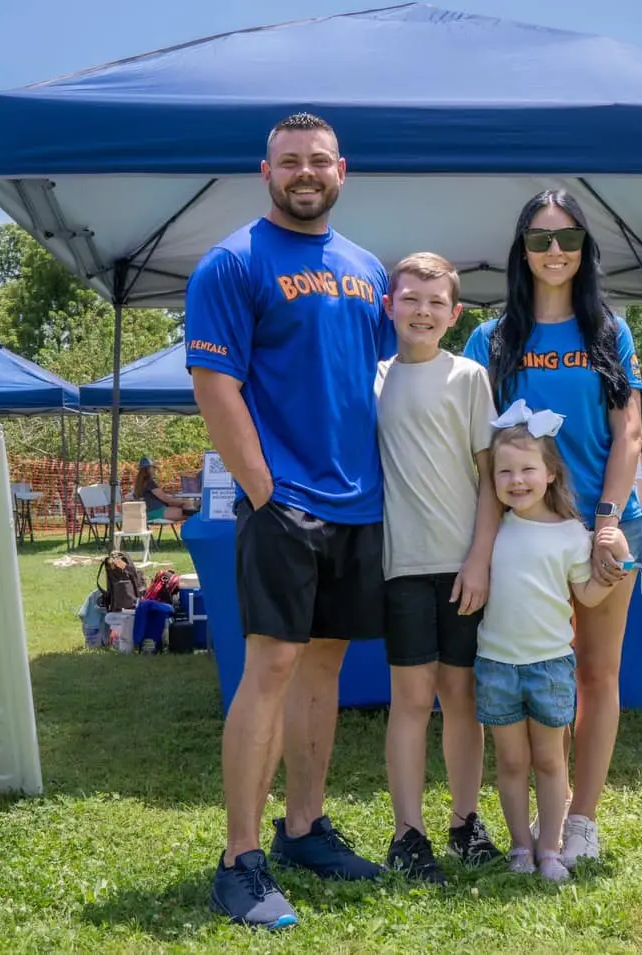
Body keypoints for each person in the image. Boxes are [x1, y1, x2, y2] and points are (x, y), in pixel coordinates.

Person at [185, 112, 394, 931]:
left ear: (342, 169)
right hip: (286, 505)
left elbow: (380, 369)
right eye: (289, 162)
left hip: (361, 503)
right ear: (264, 171)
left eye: (318, 161)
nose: (304, 172)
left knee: (324, 669)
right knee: (268, 668)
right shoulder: (231, 263)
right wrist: (265, 489)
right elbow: (215, 382)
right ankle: (240, 858)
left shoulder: (365, 267)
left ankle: (304, 826)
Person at [463, 189, 642, 867]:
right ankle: (523, 826)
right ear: (521, 250)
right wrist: (480, 551)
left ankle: (579, 821)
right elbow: (483, 457)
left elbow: (628, 430)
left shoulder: (609, 332)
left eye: (566, 238)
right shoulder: (491, 339)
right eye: (539, 240)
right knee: (525, 667)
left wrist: (604, 522)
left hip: (605, 525)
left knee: (596, 674)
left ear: (584, 247)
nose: (554, 252)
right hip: (521, 539)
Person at [374, 252, 503, 883]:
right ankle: (408, 833)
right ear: (389, 305)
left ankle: (463, 820)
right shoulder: (372, 380)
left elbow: (491, 477)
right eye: (410, 300)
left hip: (464, 567)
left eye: (435, 303)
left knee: (462, 696)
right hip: (402, 566)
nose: (421, 312)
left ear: (453, 314)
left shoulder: (471, 377)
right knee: (411, 699)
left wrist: (480, 559)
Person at [475, 404, 631, 881]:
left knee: (548, 760)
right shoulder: (489, 532)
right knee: (511, 761)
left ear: (550, 474)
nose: (516, 480)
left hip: (550, 668)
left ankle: (550, 849)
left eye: (527, 469)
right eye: (505, 471)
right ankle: (519, 848)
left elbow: (586, 593)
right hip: (496, 666)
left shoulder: (571, 535)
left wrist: (618, 561)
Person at [133, 457, 189, 523]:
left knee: (188, 510)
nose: (155, 470)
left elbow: (157, 495)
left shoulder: (141, 483)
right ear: (148, 469)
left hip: (150, 511)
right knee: (190, 512)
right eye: (153, 467)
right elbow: (166, 499)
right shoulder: (149, 482)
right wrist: (184, 502)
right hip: (157, 511)